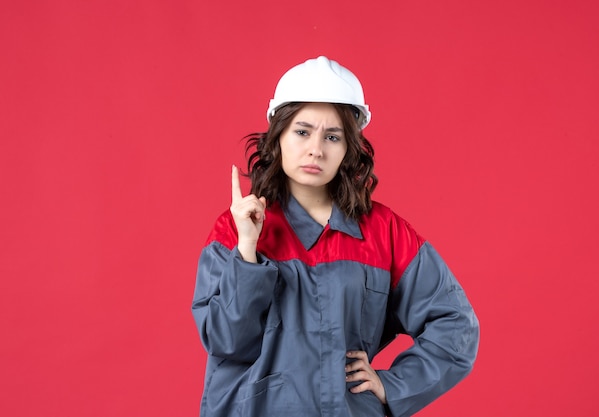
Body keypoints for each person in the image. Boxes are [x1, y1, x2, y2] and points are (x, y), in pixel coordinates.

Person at [191, 56, 479, 417]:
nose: (316, 149)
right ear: (278, 135)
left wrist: (393, 386)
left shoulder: (385, 233)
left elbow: (455, 326)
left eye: (332, 136)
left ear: (348, 149)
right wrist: (247, 250)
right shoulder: (234, 229)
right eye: (302, 131)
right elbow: (226, 342)